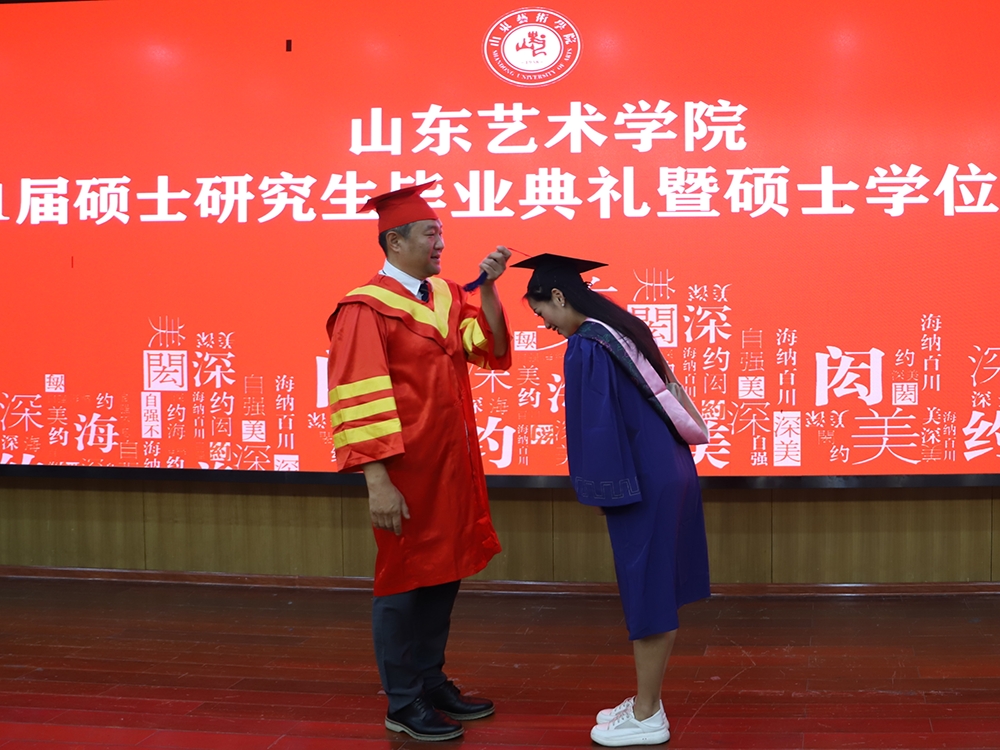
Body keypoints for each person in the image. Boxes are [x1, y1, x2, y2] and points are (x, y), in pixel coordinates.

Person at [326, 182, 512, 742]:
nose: (440, 243)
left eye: (440, 233)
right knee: (404, 581)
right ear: (395, 241)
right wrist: (377, 482)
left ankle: (431, 680)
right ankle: (403, 701)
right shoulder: (364, 308)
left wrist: (490, 289)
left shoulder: (448, 295)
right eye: (431, 233)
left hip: (450, 466)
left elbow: (486, 348)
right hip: (404, 472)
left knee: (444, 573)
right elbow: (359, 394)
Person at [517, 253, 711, 747]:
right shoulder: (624, 329)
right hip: (669, 469)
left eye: (543, 313)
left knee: (648, 594)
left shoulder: (587, 345)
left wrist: (604, 493)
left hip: (639, 480)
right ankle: (649, 700)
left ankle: (648, 716)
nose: (546, 325)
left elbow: (597, 428)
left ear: (558, 296)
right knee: (657, 588)